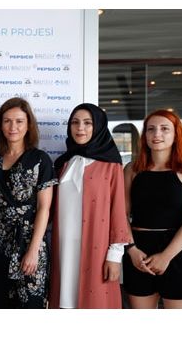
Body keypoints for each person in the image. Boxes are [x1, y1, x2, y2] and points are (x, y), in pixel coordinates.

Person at [122, 110, 182, 309]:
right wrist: (131, 250)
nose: (156, 134)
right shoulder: (131, 169)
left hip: (178, 251)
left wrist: (166, 256)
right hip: (139, 252)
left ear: (176, 134)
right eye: (151, 129)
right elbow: (121, 215)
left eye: (164, 129)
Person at [49, 103, 130, 309]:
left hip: (96, 248)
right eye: (75, 123)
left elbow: (118, 211)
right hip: (64, 248)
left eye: (87, 123)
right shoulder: (62, 164)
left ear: (98, 126)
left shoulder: (111, 165)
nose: (80, 128)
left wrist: (115, 255)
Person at [0, 97, 57, 308]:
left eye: (19, 121)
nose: (12, 127)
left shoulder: (40, 159)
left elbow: (44, 208)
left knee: (31, 305)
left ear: (28, 125)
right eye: (7, 121)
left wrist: (33, 250)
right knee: (4, 304)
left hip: (29, 243)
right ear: (0, 125)